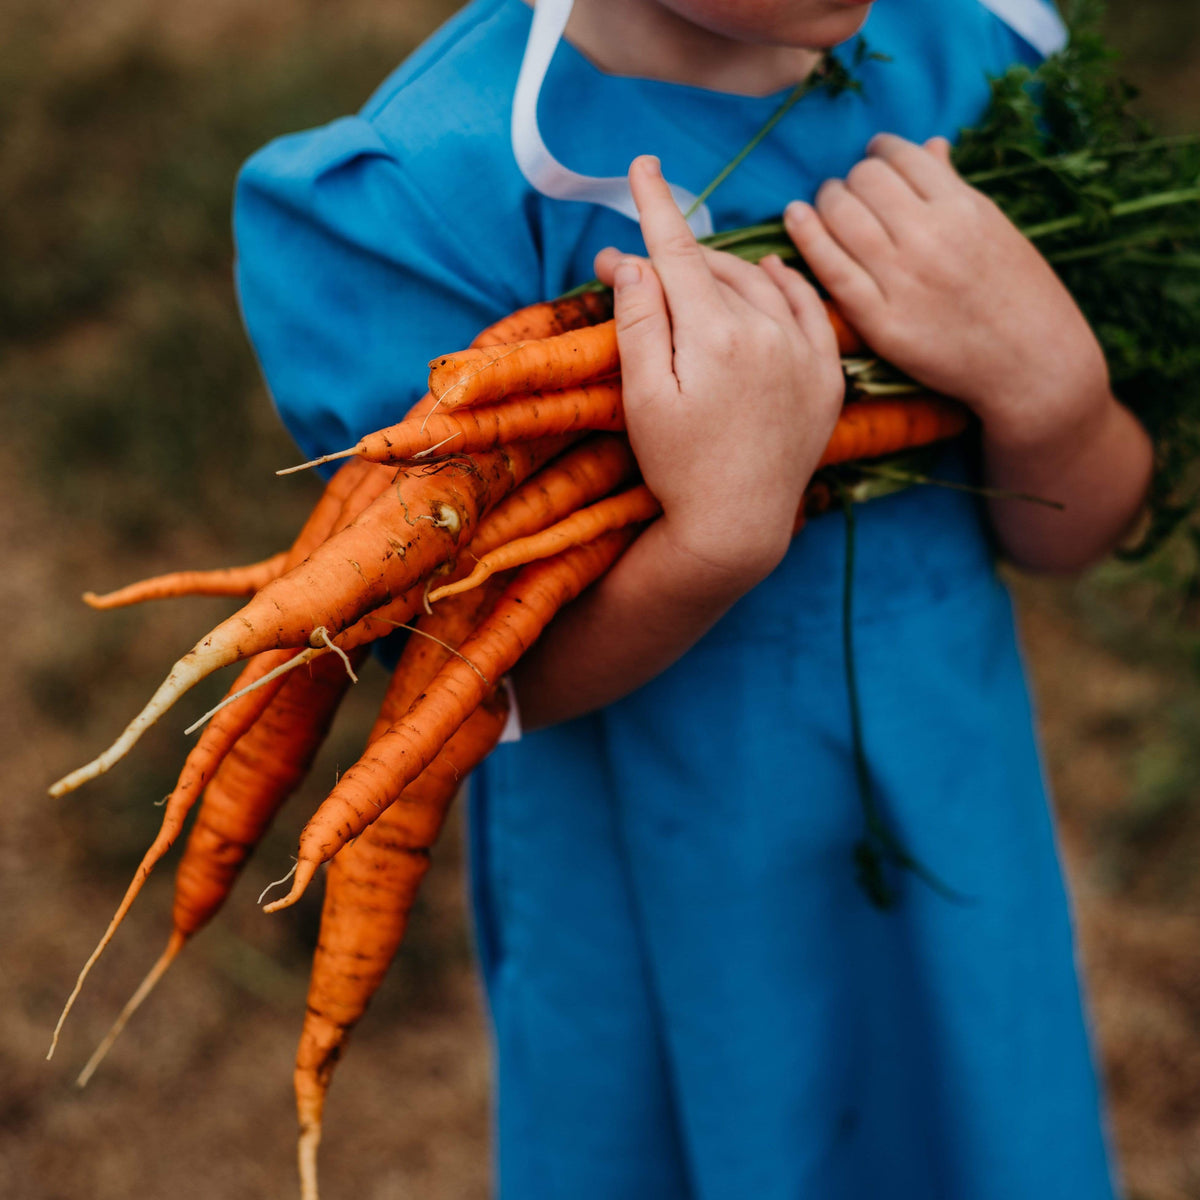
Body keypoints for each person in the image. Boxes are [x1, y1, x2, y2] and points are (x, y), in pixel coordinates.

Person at [234, 1, 1153, 1195]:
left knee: (976, 1128)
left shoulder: (976, 58)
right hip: (663, 876)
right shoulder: (442, 194)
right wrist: (715, 539)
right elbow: (469, 681)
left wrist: (1058, 393)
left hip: (956, 813)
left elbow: (1085, 528)